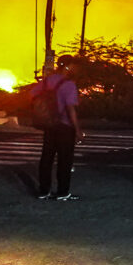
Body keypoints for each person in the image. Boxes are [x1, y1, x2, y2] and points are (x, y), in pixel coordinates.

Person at [32, 55, 83, 201]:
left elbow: (33, 94)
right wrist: (78, 130)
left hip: (49, 124)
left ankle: (43, 191)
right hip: (65, 127)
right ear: (67, 66)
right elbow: (71, 109)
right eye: (73, 65)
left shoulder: (48, 81)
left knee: (46, 158)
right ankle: (62, 192)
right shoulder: (69, 84)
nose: (75, 68)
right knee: (64, 160)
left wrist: (45, 109)